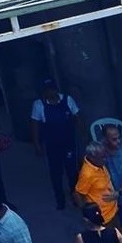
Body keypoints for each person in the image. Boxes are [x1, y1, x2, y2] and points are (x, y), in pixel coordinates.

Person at [30, 79, 83, 210]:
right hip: (52, 145)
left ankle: (75, 198)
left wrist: (84, 136)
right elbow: (35, 126)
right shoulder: (38, 105)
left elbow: (77, 118)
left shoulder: (67, 100)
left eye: (52, 89)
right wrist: (37, 145)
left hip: (69, 143)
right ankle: (60, 201)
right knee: (56, 174)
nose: (50, 92)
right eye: (47, 90)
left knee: (72, 173)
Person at [74, 142, 119, 226]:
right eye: (102, 157)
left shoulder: (99, 164)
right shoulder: (87, 174)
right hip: (103, 217)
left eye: (105, 156)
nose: (105, 159)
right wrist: (88, 214)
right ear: (92, 157)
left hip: (113, 210)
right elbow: (78, 194)